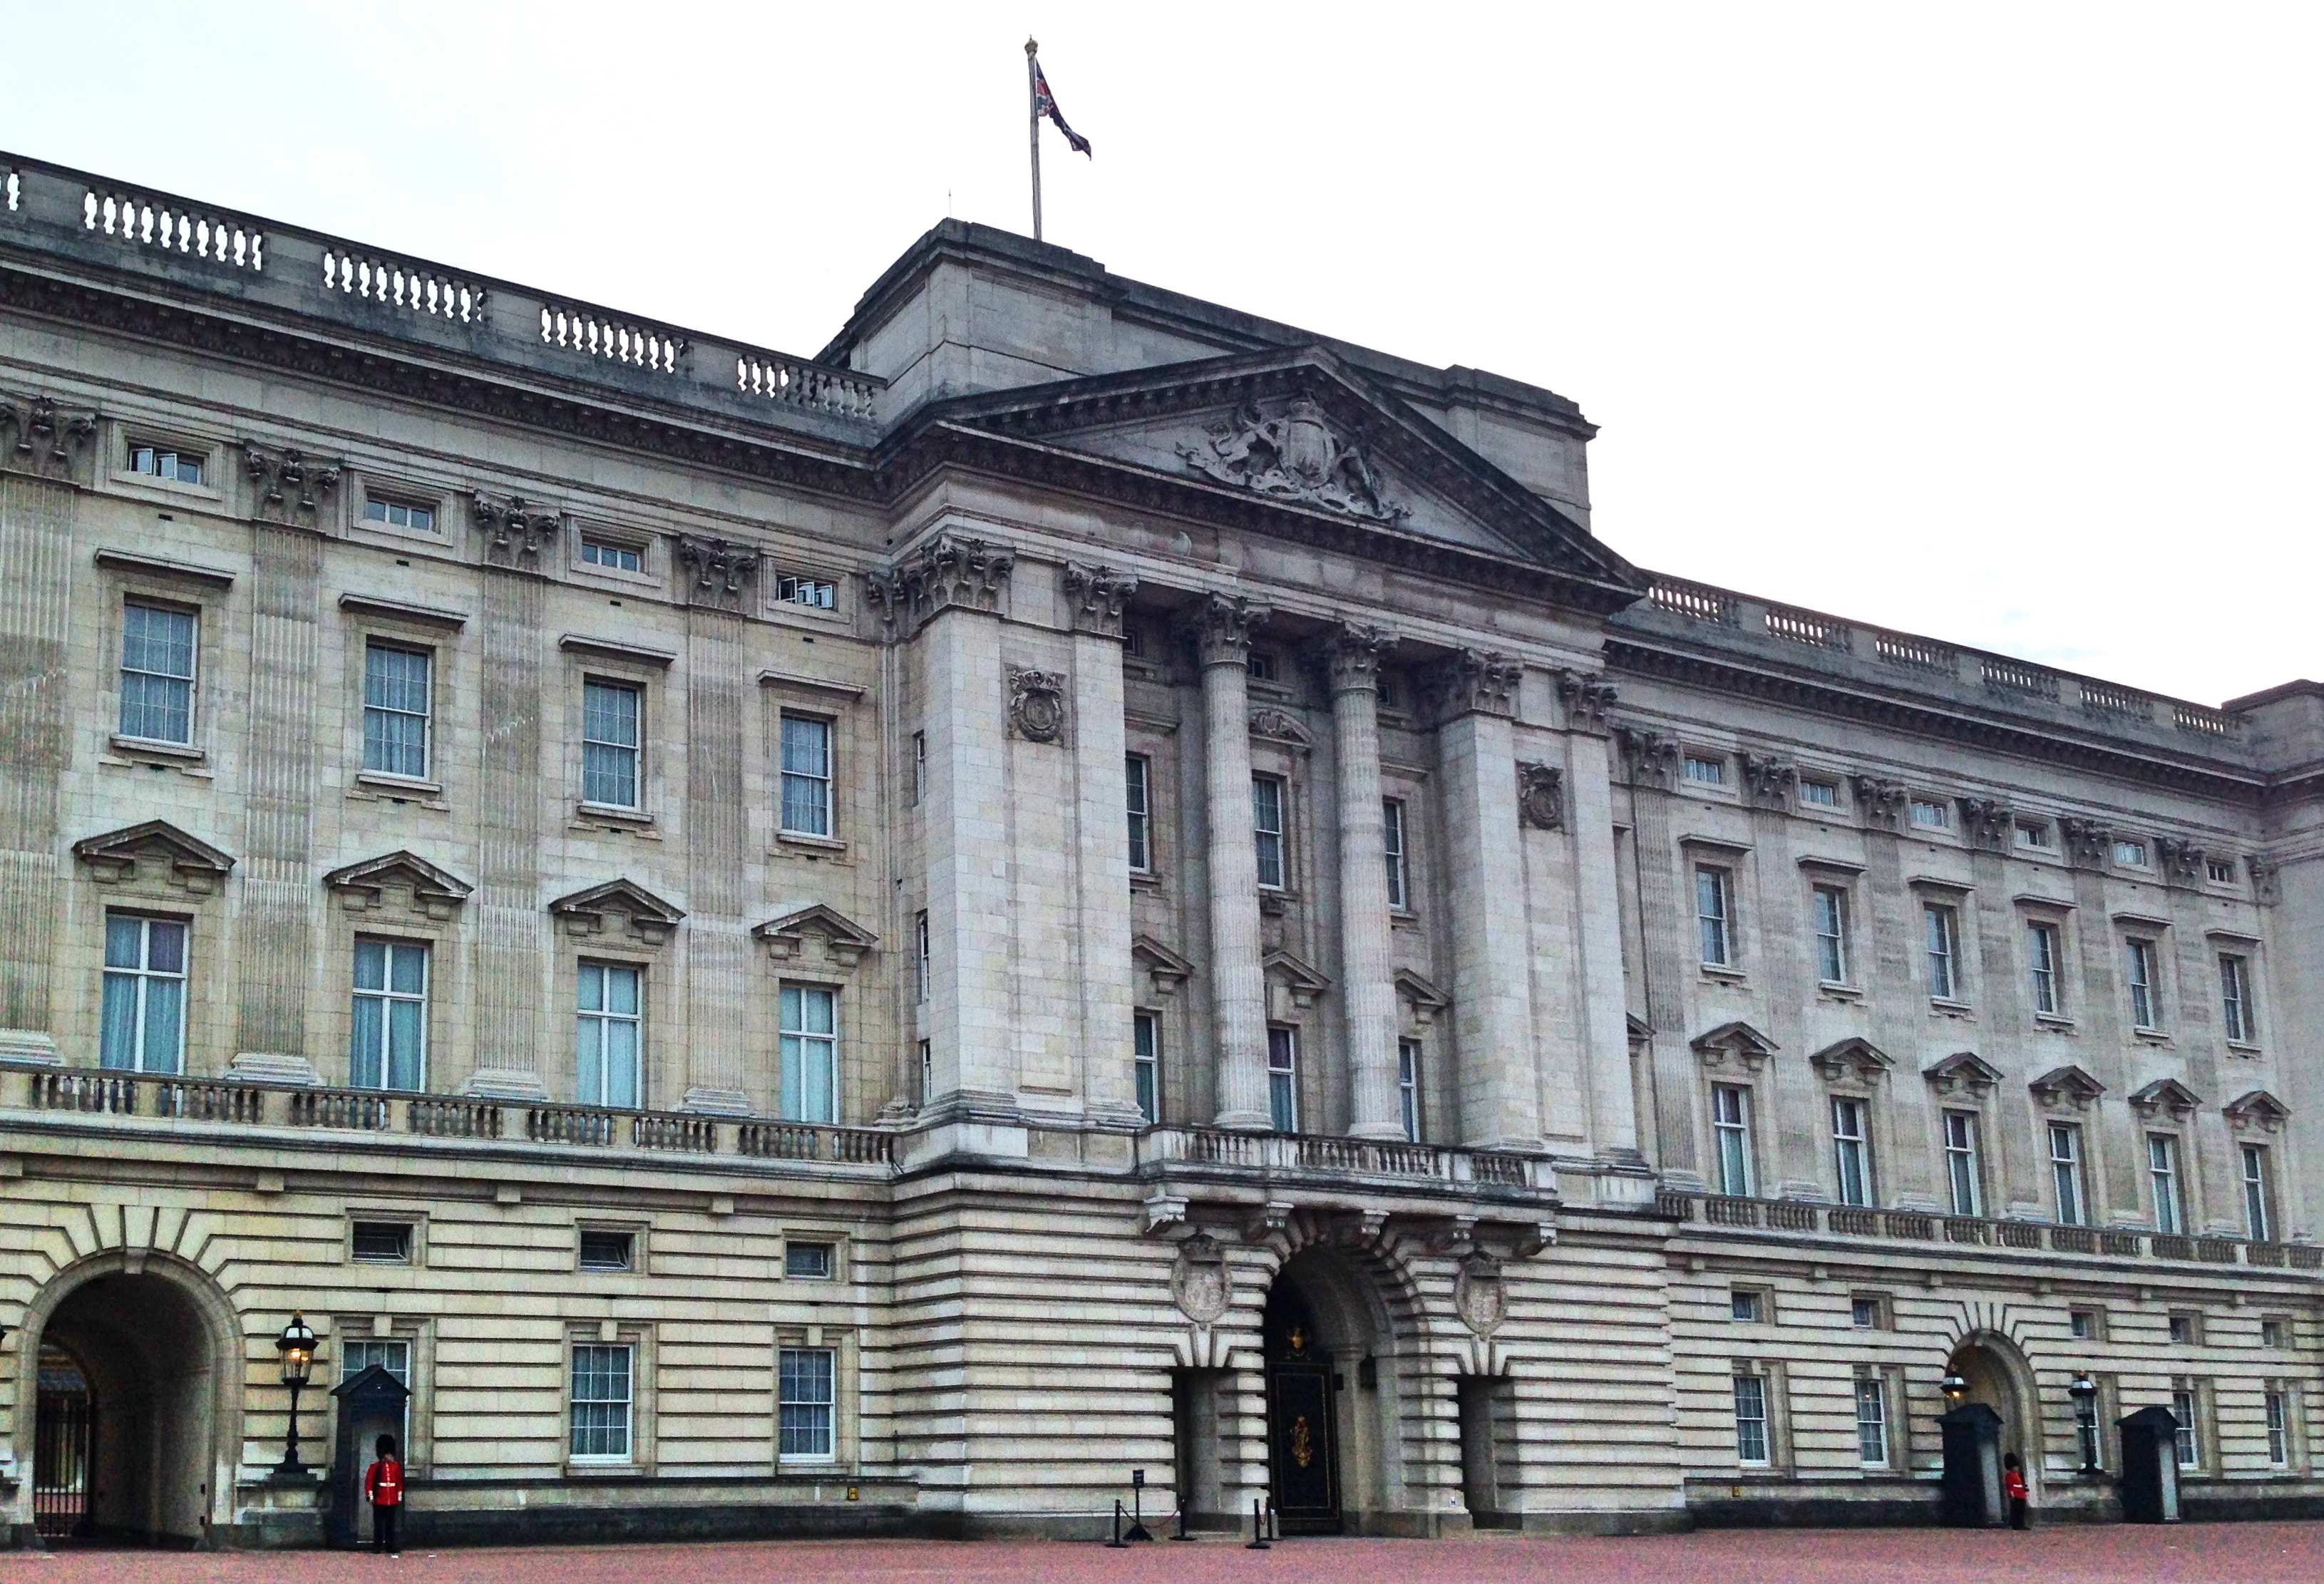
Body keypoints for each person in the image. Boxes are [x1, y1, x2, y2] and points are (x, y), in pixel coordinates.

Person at [364, 1433, 404, 1555]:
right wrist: (370, 1496)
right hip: (380, 1499)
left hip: (391, 1499)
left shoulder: (396, 1467)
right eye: (387, 1454)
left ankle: (390, 1546)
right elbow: (369, 1482)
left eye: (390, 1454)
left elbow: (398, 1481)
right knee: (379, 1525)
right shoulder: (375, 1467)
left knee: (390, 1525)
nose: (389, 1456)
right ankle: (378, 1546)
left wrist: (399, 1494)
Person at [2002, 1451, 2030, 1530]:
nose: (2017, 1468)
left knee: (2021, 1511)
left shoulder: (2016, 1475)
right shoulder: (2009, 1475)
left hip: (2021, 1495)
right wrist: (2011, 1495)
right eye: (2015, 1467)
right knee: (2016, 1511)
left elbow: (2019, 1484)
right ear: (2012, 1467)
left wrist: (2024, 1488)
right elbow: (2010, 1486)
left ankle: (2021, 1524)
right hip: (2016, 1495)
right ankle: (2016, 1525)